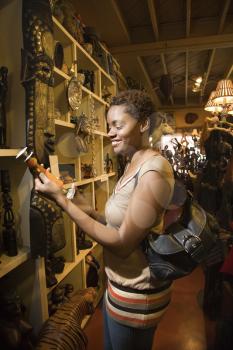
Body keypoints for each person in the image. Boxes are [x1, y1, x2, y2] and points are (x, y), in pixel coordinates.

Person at [35, 89, 175, 350]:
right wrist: (88, 210)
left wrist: (63, 203)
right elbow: (124, 223)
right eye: (109, 125)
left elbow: (122, 243)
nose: (109, 132)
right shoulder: (132, 163)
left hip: (137, 296)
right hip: (117, 287)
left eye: (118, 125)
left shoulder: (154, 172)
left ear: (143, 124)